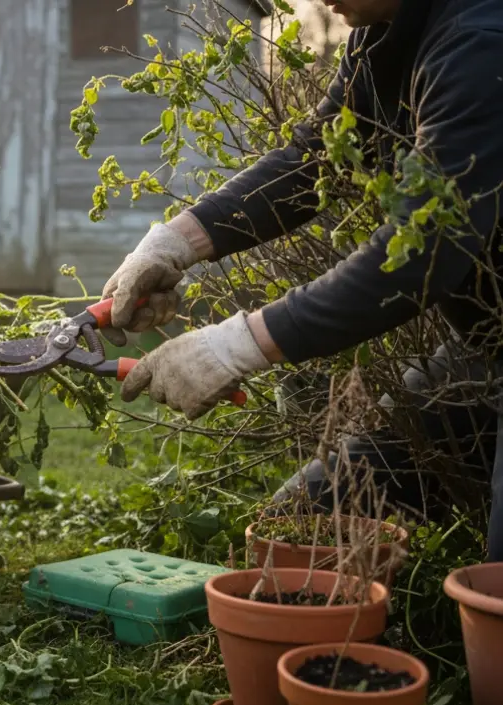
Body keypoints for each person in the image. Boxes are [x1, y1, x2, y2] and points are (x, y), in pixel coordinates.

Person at [99, 0, 503, 558]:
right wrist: (176, 241)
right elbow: (313, 159)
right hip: (485, 349)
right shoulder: (384, 32)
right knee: (302, 524)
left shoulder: (480, 44)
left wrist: (235, 346)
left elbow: (424, 253)